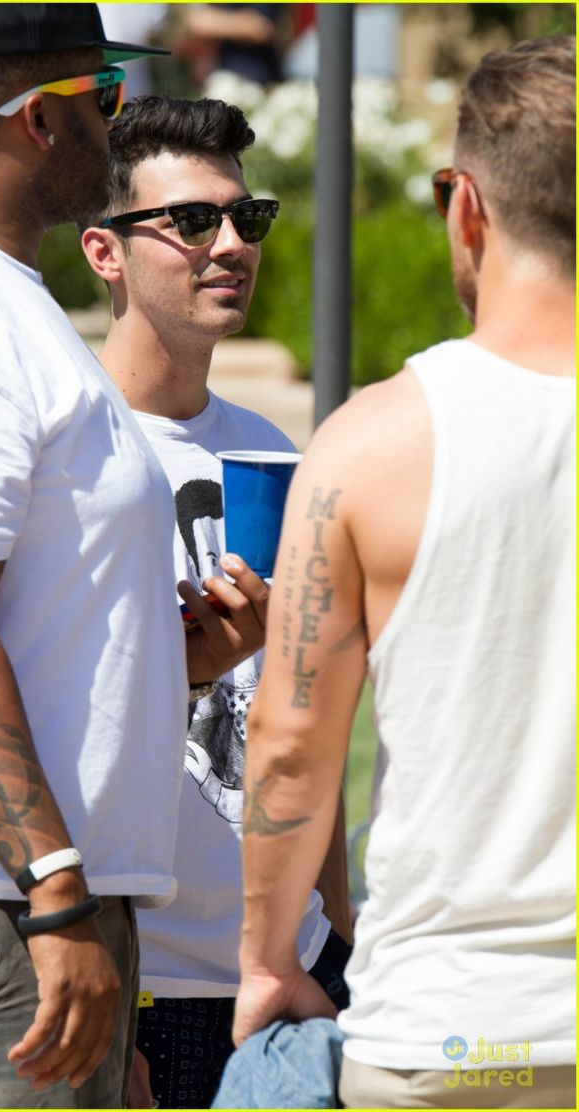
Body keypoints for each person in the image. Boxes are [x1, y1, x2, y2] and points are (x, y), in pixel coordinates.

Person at [0, 6, 264, 1109]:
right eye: (103, 96)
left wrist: (185, 664)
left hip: (23, 919)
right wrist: (60, 896)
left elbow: (28, 621)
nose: (114, 122)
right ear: (37, 119)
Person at [233, 34, 576, 1110]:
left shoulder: (372, 444)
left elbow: (292, 746)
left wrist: (266, 959)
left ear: (466, 206)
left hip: (451, 1035)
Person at [80, 94, 352, 1109]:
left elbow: (307, 710)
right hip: (139, 983)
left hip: (290, 972)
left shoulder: (274, 451)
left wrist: (336, 929)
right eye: (193, 221)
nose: (232, 244)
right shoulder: (69, 452)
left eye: (248, 217)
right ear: (105, 252)